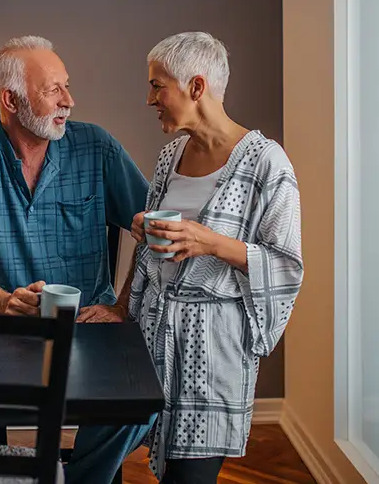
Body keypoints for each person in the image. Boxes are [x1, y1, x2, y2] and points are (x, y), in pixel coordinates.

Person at [66, 32, 303, 484]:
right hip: (153, 336)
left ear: (196, 87)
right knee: (99, 459)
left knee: (189, 479)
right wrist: (121, 303)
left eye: (158, 86)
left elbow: (285, 264)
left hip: (213, 351)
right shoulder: (170, 155)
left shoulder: (267, 164)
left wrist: (208, 241)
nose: (149, 98)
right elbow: (151, 247)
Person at [0, 35, 148, 320]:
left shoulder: (95, 146)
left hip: (86, 323)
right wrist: (4, 303)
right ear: (11, 100)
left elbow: (154, 227)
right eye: (52, 90)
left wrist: (123, 306)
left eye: (66, 87)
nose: (68, 101)